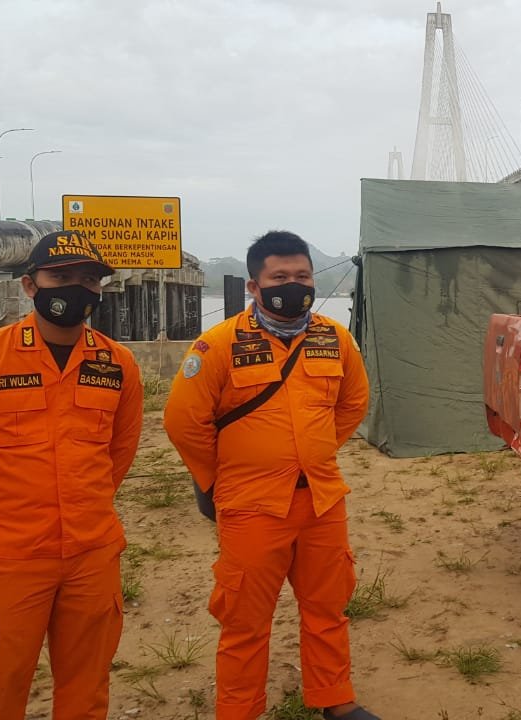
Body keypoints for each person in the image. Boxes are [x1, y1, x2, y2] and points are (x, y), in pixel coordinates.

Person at [162, 231, 375, 720]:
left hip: (322, 501)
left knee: (327, 607)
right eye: (280, 277)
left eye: (302, 275)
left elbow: (353, 403)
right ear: (254, 286)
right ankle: (239, 710)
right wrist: (221, 478)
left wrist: (314, 452)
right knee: (245, 619)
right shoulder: (218, 344)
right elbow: (183, 421)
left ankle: (335, 699)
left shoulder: (334, 337)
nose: (293, 285)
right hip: (251, 505)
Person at [0, 230, 143, 719]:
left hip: (93, 553)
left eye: (88, 279)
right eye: (61, 276)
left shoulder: (118, 364)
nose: (77, 288)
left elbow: (119, 450)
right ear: (30, 286)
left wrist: (84, 504)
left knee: (87, 687)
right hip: (11, 554)